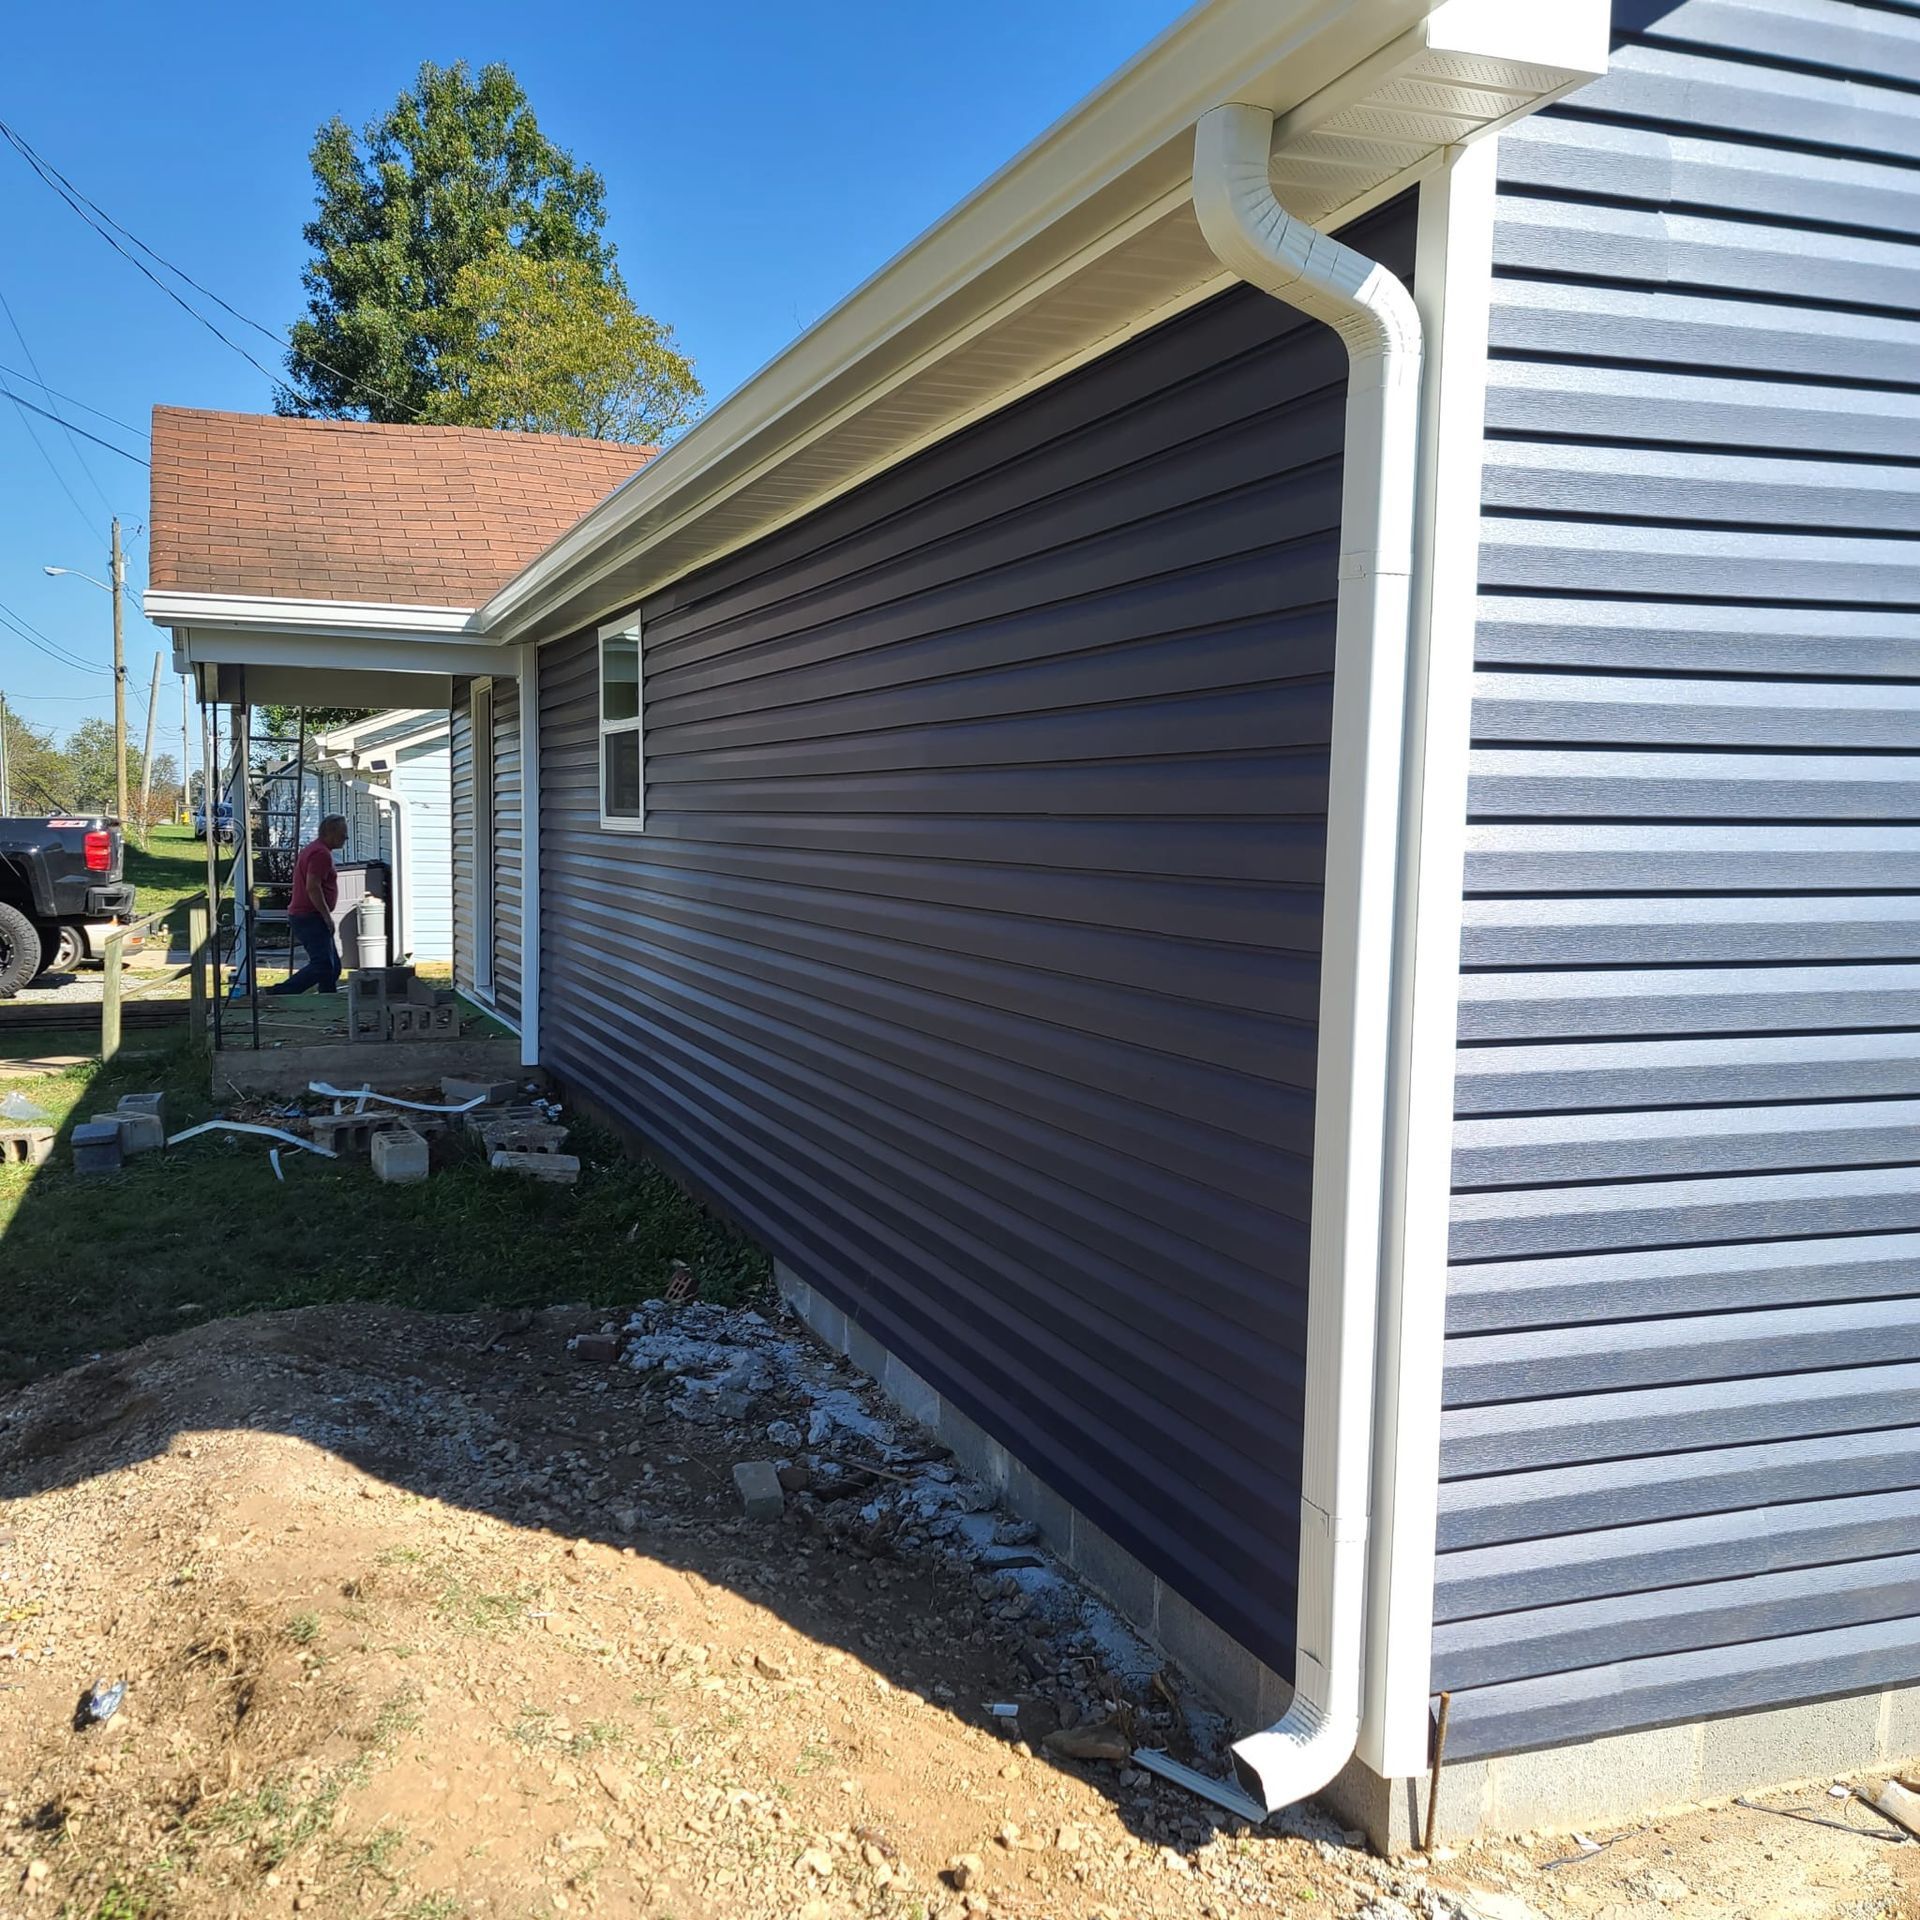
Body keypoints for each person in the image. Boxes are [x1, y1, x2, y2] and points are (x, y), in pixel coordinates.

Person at [271, 814, 348, 994]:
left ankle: (327, 1001)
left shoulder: (315, 849)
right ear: (330, 832)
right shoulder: (321, 854)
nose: (346, 838)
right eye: (343, 833)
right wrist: (326, 916)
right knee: (322, 964)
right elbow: (313, 887)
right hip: (309, 916)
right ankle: (280, 993)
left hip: (309, 915)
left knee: (333, 967)